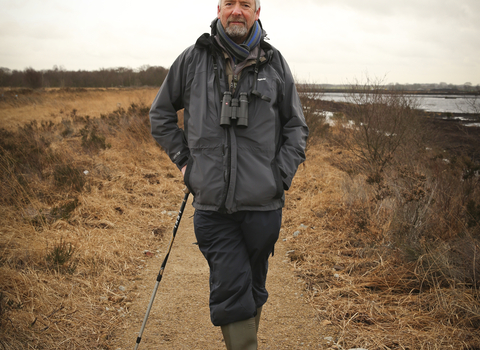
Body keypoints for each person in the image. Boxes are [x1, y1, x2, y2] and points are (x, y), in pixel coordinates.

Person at [149, 0, 308, 348]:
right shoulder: (193, 59)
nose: (237, 11)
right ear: (218, 9)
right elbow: (160, 114)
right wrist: (186, 163)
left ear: (257, 12)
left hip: (264, 207)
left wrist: (279, 176)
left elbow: (296, 127)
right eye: (229, 4)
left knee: (252, 286)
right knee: (232, 283)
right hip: (212, 208)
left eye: (245, 4)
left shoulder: (275, 62)